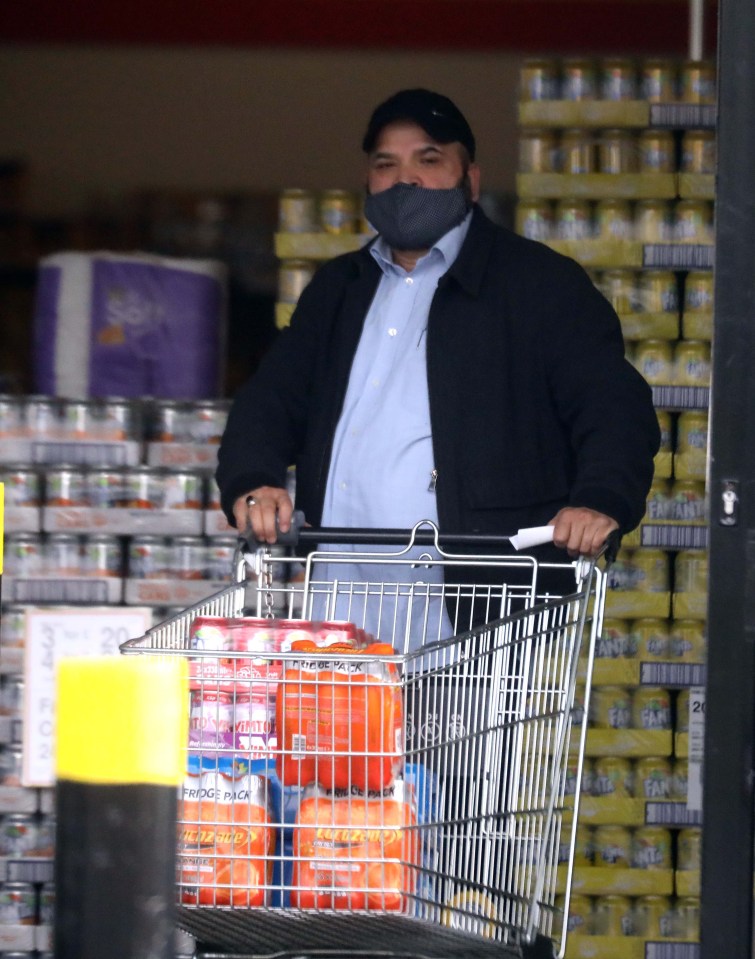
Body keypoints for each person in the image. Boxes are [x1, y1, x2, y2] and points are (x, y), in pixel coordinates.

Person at [216, 88, 660, 642]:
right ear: (368, 183)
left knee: (461, 731)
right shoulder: (339, 288)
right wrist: (253, 478)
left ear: (469, 178)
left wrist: (600, 500)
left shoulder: (537, 284)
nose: (406, 180)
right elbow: (273, 398)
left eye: (428, 160)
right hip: (339, 602)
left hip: (478, 612)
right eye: (387, 164)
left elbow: (613, 405)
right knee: (342, 729)